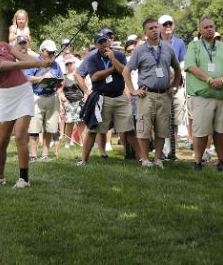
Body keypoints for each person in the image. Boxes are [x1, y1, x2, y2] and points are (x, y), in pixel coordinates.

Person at [0, 29, 53, 189]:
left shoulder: (3, 45)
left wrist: (39, 60)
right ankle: (0, 177)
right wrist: (39, 63)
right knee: (1, 142)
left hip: (24, 92)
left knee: (20, 137)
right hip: (6, 97)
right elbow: (15, 65)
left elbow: (21, 56)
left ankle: (24, 179)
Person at [123, 18, 182, 168]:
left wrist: (174, 86)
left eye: (156, 27)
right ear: (145, 32)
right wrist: (133, 91)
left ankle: (157, 159)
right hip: (146, 94)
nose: (155, 30)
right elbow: (126, 71)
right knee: (144, 128)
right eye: (151, 28)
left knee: (162, 128)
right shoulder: (140, 50)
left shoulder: (168, 48)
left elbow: (178, 68)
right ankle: (145, 159)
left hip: (164, 94)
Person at [77, 32, 141, 165]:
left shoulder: (119, 55)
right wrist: (112, 69)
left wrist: (113, 60)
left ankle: (143, 158)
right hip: (102, 98)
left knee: (129, 129)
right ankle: (84, 160)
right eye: (100, 42)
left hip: (120, 96)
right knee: (93, 129)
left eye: (105, 41)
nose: (103, 45)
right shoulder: (92, 58)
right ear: (96, 45)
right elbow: (94, 77)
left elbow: (125, 71)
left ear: (109, 42)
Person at [184, 17, 223, 172]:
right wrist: (209, 79)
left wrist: (221, 79)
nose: (209, 29)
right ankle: (197, 162)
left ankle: (222, 162)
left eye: (211, 26)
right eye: (205, 27)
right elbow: (191, 66)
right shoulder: (194, 46)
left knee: (221, 131)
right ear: (200, 30)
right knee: (200, 132)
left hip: (222, 96)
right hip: (202, 97)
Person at [24, 40, 64, 161]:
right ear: (42, 51)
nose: (52, 54)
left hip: (52, 96)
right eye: (49, 52)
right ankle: (33, 155)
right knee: (34, 128)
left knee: (50, 128)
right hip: (36, 96)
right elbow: (27, 78)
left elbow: (61, 80)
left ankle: (45, 154)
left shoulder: (56, 64)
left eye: (53, 52)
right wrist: (41, 78)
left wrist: (57, 82)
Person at [158, 14, 188, 161]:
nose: (168, 26)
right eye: (165, 24)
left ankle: (172, 150)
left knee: (175, 120)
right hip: (160, 87)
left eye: (170, 24)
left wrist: (174, 69)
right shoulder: (155, 42)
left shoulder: (179, 43)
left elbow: (184, 61)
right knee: (161, 119)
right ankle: (162, 150)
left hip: (177, 86)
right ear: (159, 27)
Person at [61, 55, 88, 148]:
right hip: (69, 102)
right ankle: (67, 143)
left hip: (79, 101)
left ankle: (83, 143)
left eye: (70, 63)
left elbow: (85, 88)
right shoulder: (64, 77)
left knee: (81, 123)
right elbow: (60, 90)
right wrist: (62, 96)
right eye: (67, 64)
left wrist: (85, 97)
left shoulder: (79, 75)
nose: (69, 65)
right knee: (69, 123)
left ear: (74, 63)